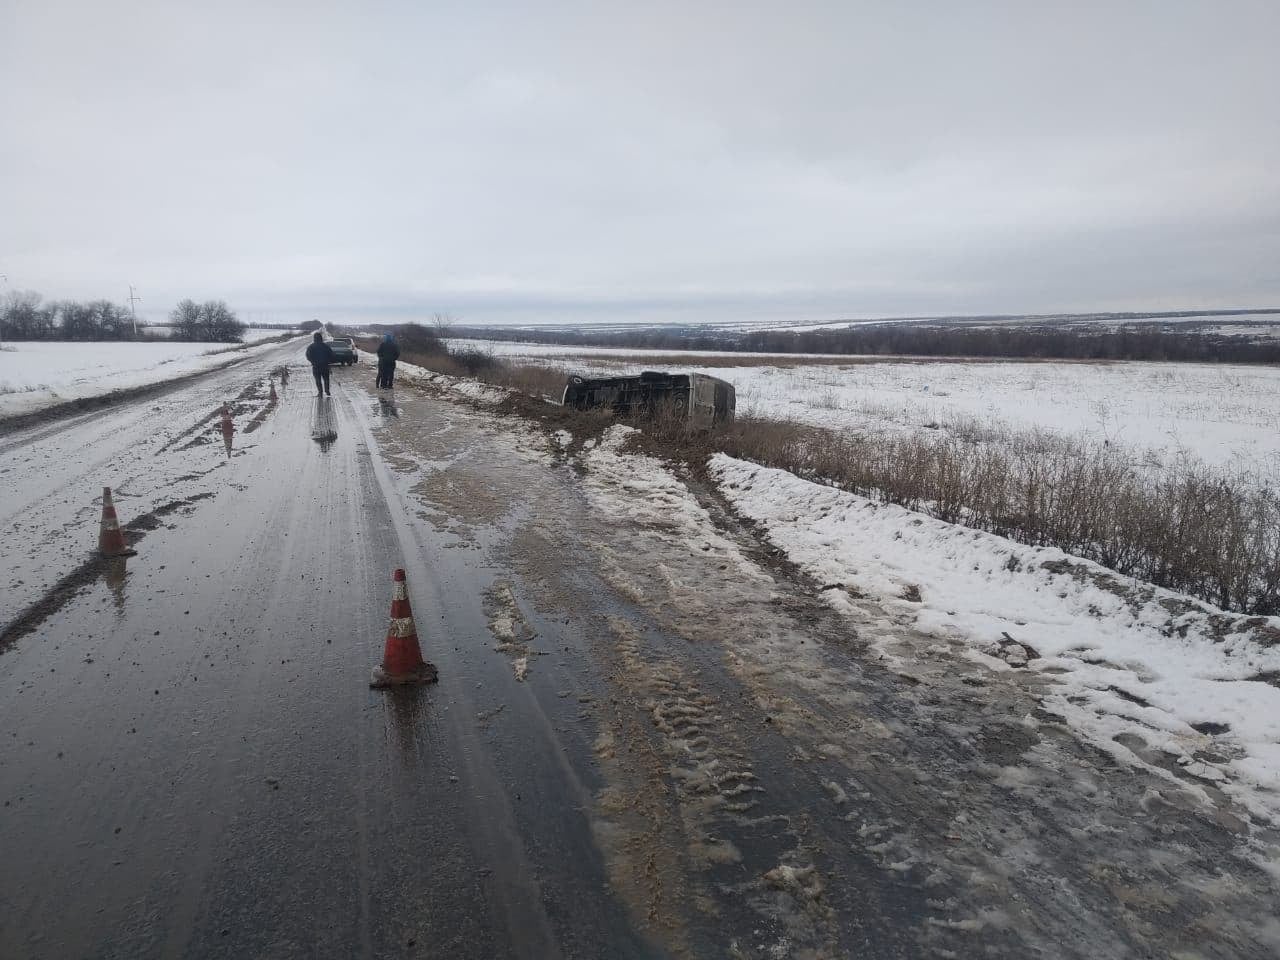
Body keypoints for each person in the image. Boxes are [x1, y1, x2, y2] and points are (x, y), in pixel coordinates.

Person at [305, 331, 334, 397]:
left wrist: (312, 361)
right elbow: (331, 355)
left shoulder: (311, 347)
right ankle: (327, 390)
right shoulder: (326, 346)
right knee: (326, 379)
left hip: (316, 366)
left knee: (318, 380)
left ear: (314, 338)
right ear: (321, 338)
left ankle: (320, 393)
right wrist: (328, 361)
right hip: (325, 366)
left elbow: (308, 355)